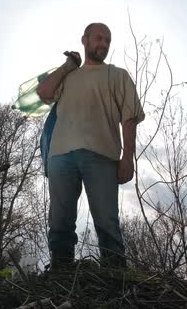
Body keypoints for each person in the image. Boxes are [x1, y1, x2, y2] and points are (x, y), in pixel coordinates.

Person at [36, 23, 145, 269]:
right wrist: (66, 66)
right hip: (61, 155)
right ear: (84, 40)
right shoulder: (68, 75)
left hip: (102, 155)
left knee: (107, 221)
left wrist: (127, 158)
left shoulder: (118, 75)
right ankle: (61, 276)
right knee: (60, 222)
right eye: (98, 38)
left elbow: (129, 118)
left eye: (108, 40)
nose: (103, 44)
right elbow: (43, 91)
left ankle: (116, 278)